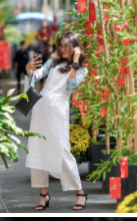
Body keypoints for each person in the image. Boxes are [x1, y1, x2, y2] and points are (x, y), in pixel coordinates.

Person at [25, 31, 89, 211]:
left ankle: (80, 193)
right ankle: (43, 195)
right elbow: (35, 76)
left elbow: (70, 85)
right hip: (40, 111)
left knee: (63, 151)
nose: (62, 49)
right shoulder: (52, 63)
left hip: (57, 113)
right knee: (37, 151)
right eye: (60, 46)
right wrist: (29, 69)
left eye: (67, 46)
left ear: (75, 47)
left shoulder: (82, 69)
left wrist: (74, 62)